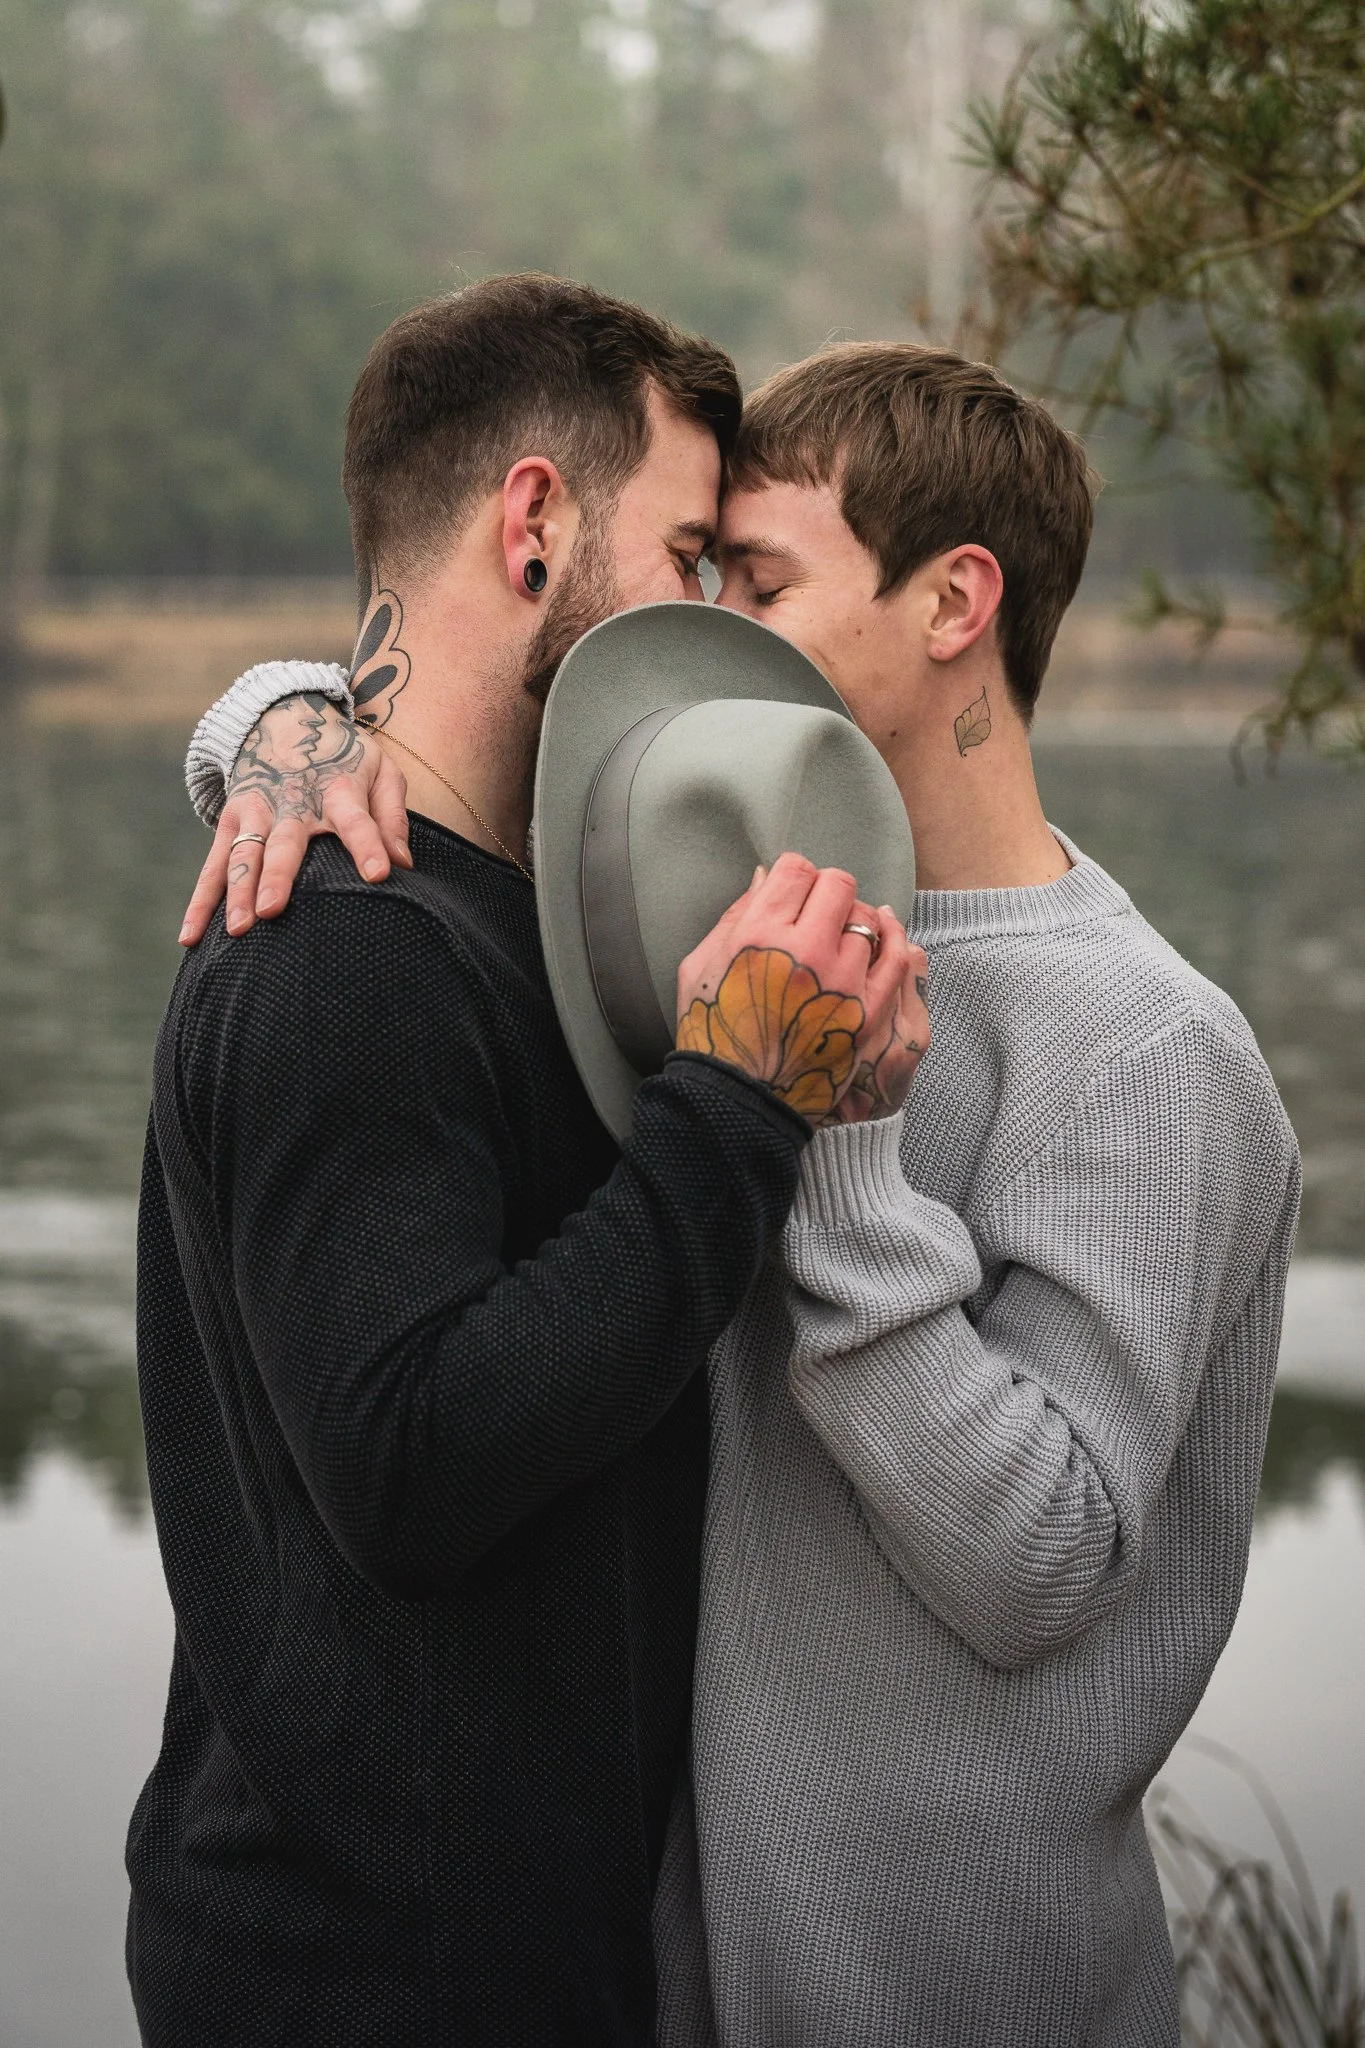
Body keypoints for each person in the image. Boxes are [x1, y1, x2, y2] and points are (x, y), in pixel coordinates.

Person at [180, 339, 1299, 2047]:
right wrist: (281, 714)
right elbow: (471, 779)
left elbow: (1042, 1564)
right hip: (671, 1981)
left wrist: (832, 1136)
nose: (695, 632)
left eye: (751, 581)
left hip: (963, 2000)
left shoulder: (1152, 1054)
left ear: (952, 605)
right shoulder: (710, 926)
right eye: (698, 566)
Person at [130, 275, 925, 2048]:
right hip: (351, 1984)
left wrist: (276, 708)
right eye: (693, 546)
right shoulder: (342, 949)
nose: (714, 606)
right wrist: (732, 1109)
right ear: (536, 521)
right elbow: (411, 1465)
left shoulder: (521, 913)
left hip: (538, 1955)